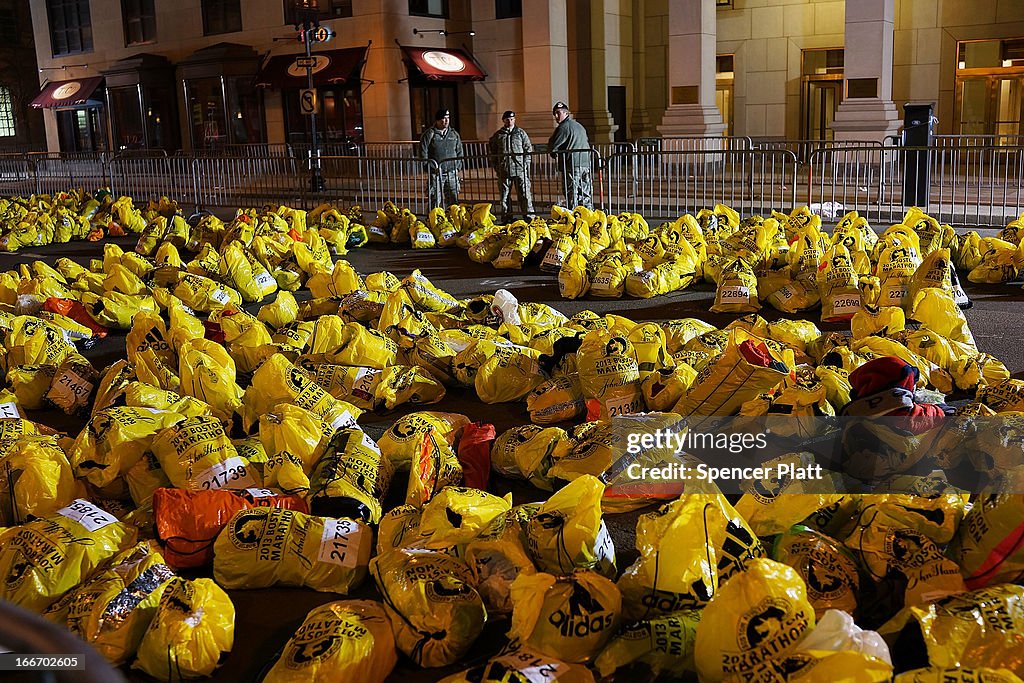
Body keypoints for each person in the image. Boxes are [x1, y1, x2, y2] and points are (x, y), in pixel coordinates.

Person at [488, 110, 535, 223]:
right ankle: (507, 217)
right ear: (503, 120)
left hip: (520, 169)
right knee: (504, 196)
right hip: (504, 170)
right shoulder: (498, 135)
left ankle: (529, 216)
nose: (510, 121)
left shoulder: (520, 133)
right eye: (507, 119)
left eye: (512, 119)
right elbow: (493, 152)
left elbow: (528, 149)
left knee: (524, 194)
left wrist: (526, 164)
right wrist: (497, 167)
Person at [547, 101, 593, 210]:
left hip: (572, 164)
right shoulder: (579, 125)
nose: (557, 116)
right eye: (555, 114)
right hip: (585, 162)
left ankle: (573, 216)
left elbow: (554, 144)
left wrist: (552, 152)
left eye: (559, 113)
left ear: (566, 113)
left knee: (571, 191)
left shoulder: (563, 127)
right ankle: (587, 214)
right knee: (585, 192)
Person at [419, 108, 464, 210]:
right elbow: (423, 151)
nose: (446, 120)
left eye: (448, 118)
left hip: (451, 172)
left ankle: (452, 220)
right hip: (436, 172)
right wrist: (428, 167)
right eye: (443, 118)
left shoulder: (453, 134)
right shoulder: (430, 134)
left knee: (453, 199)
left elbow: (459, 151)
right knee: (435, 199)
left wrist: (458, 167)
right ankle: (432, 220)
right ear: (438, 120)